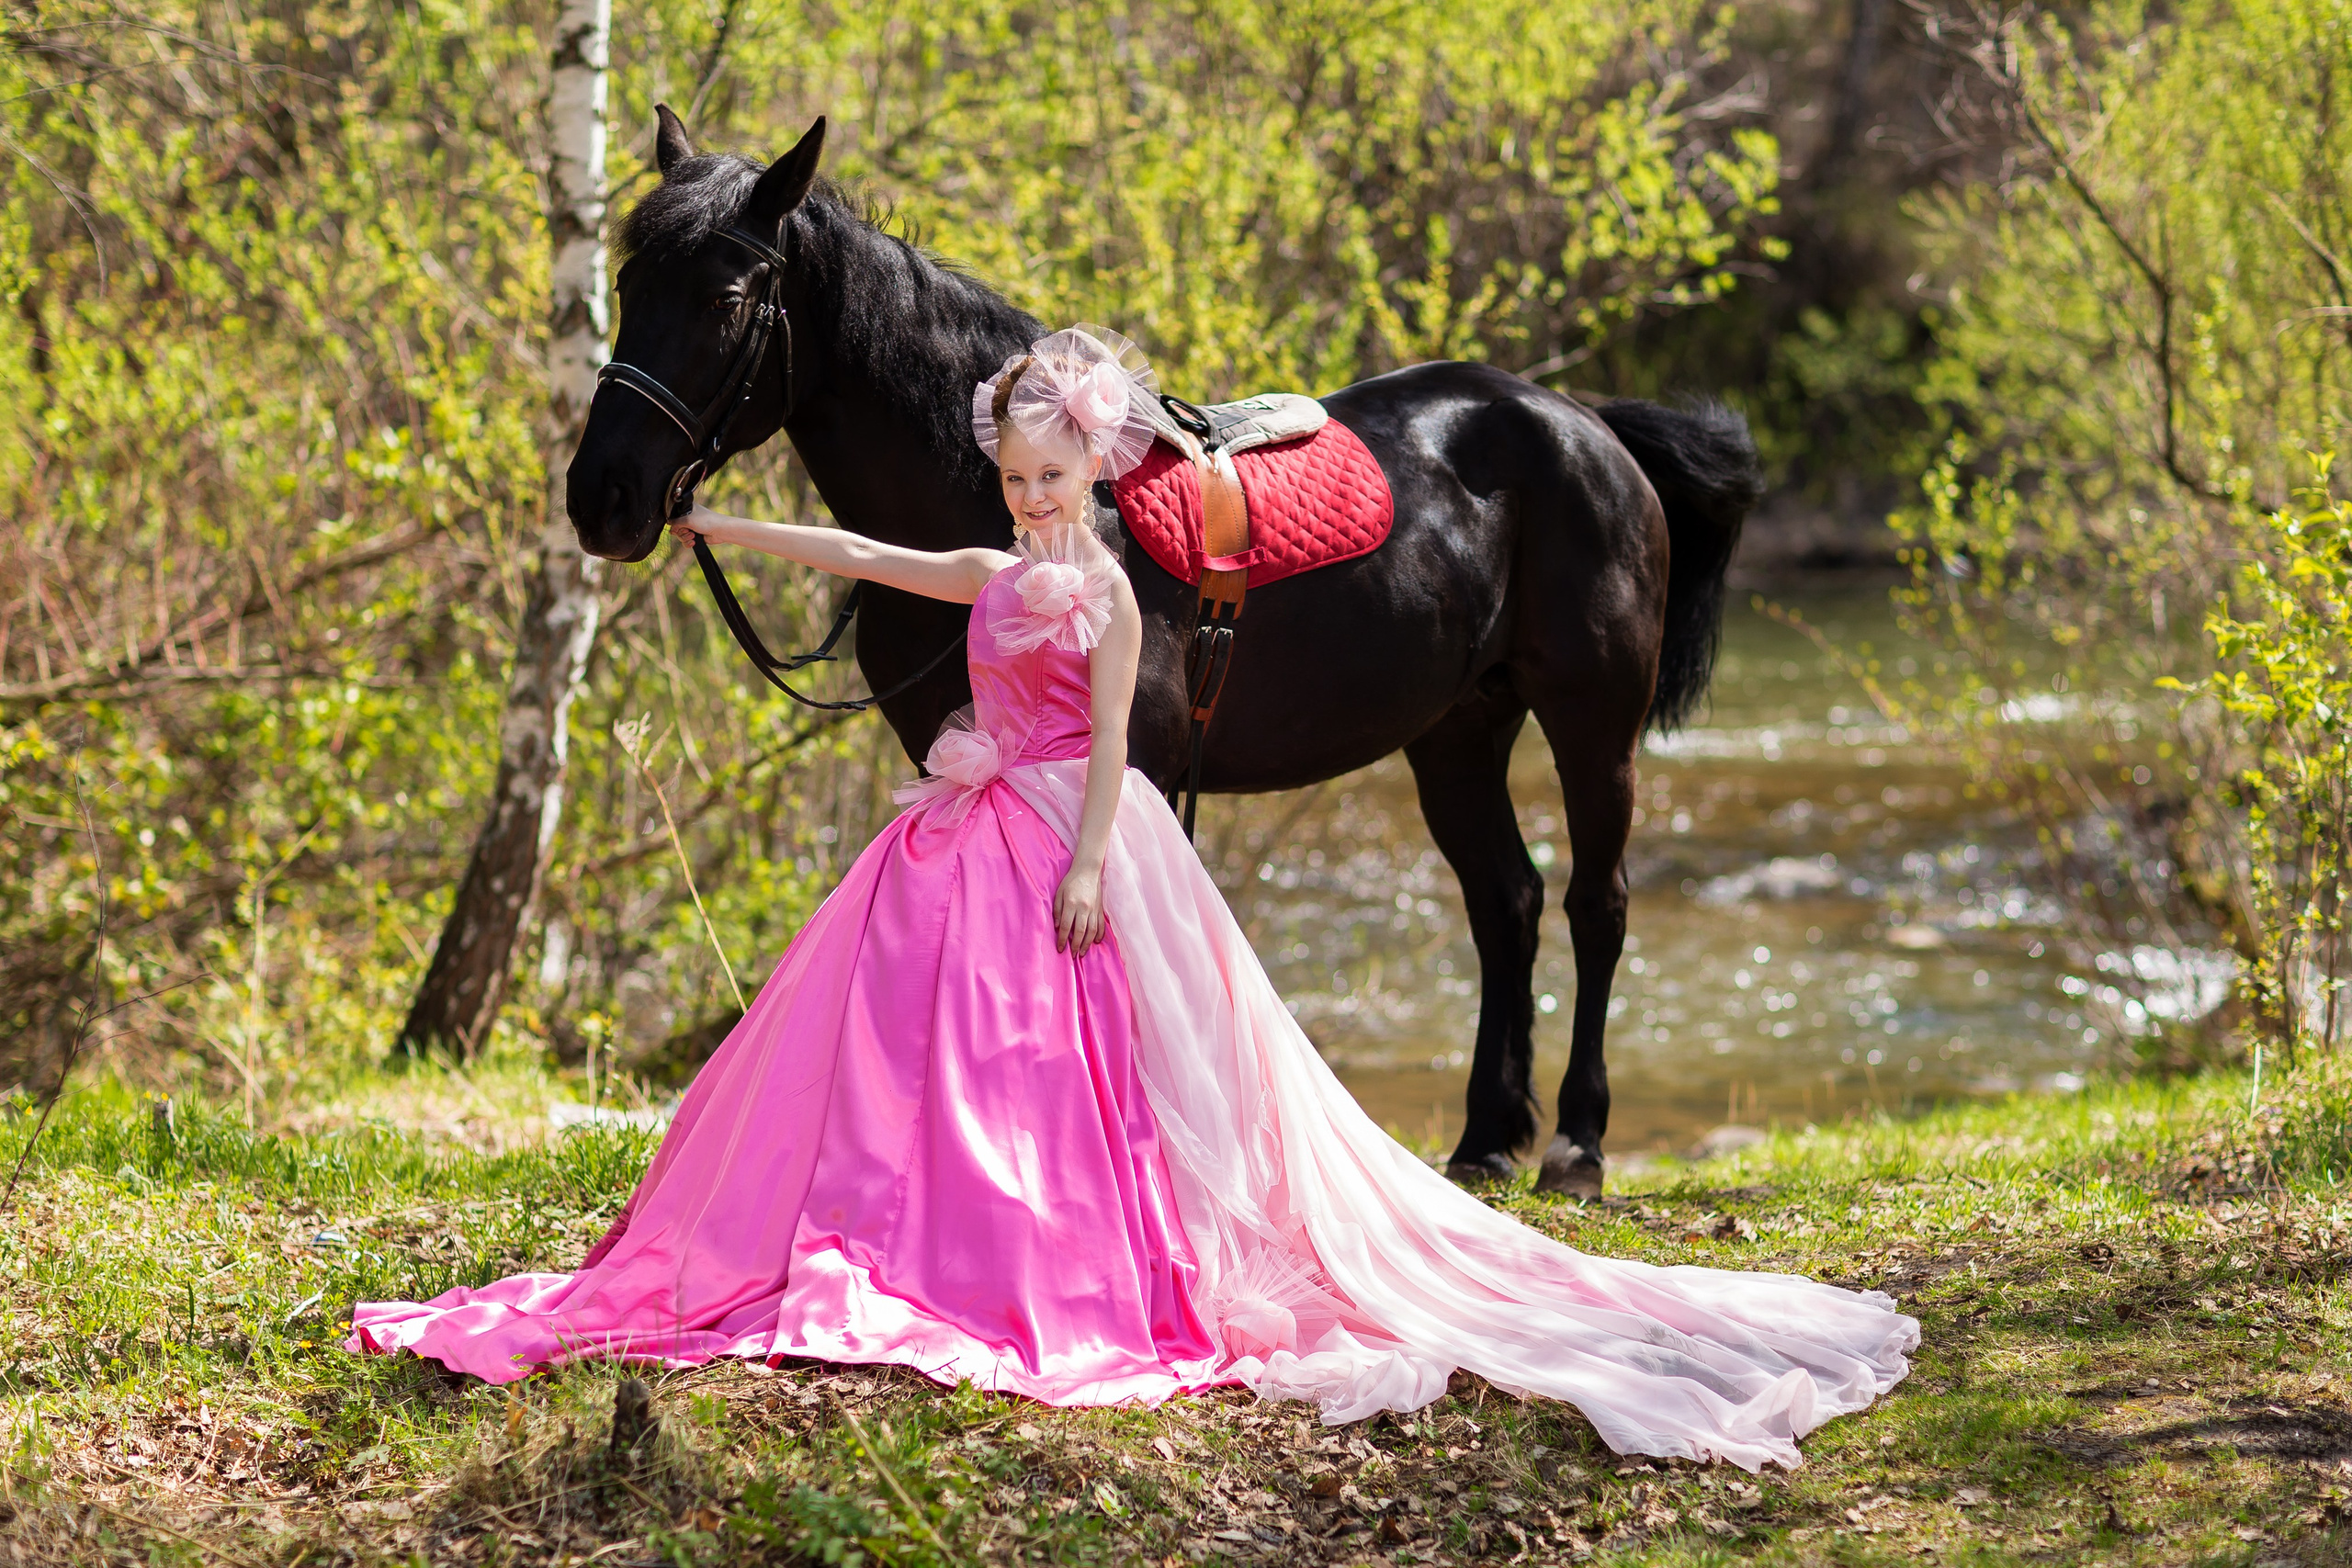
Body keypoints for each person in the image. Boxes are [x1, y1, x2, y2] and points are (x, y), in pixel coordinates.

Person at [350, 326, 1916, 1470]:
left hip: (1065, 837)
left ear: (1085, 475)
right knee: (908, 1028)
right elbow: (865, 549)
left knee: (1086, 1045)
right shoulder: (998, 562)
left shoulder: (1100, 591)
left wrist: (1095, 858)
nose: (1031, 497)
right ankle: (905, 1231)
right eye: (1016, 476)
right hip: (971, 833)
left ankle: (1515, 1118)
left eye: (1051, 478)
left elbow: (1113, 745)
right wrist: (719, 526)